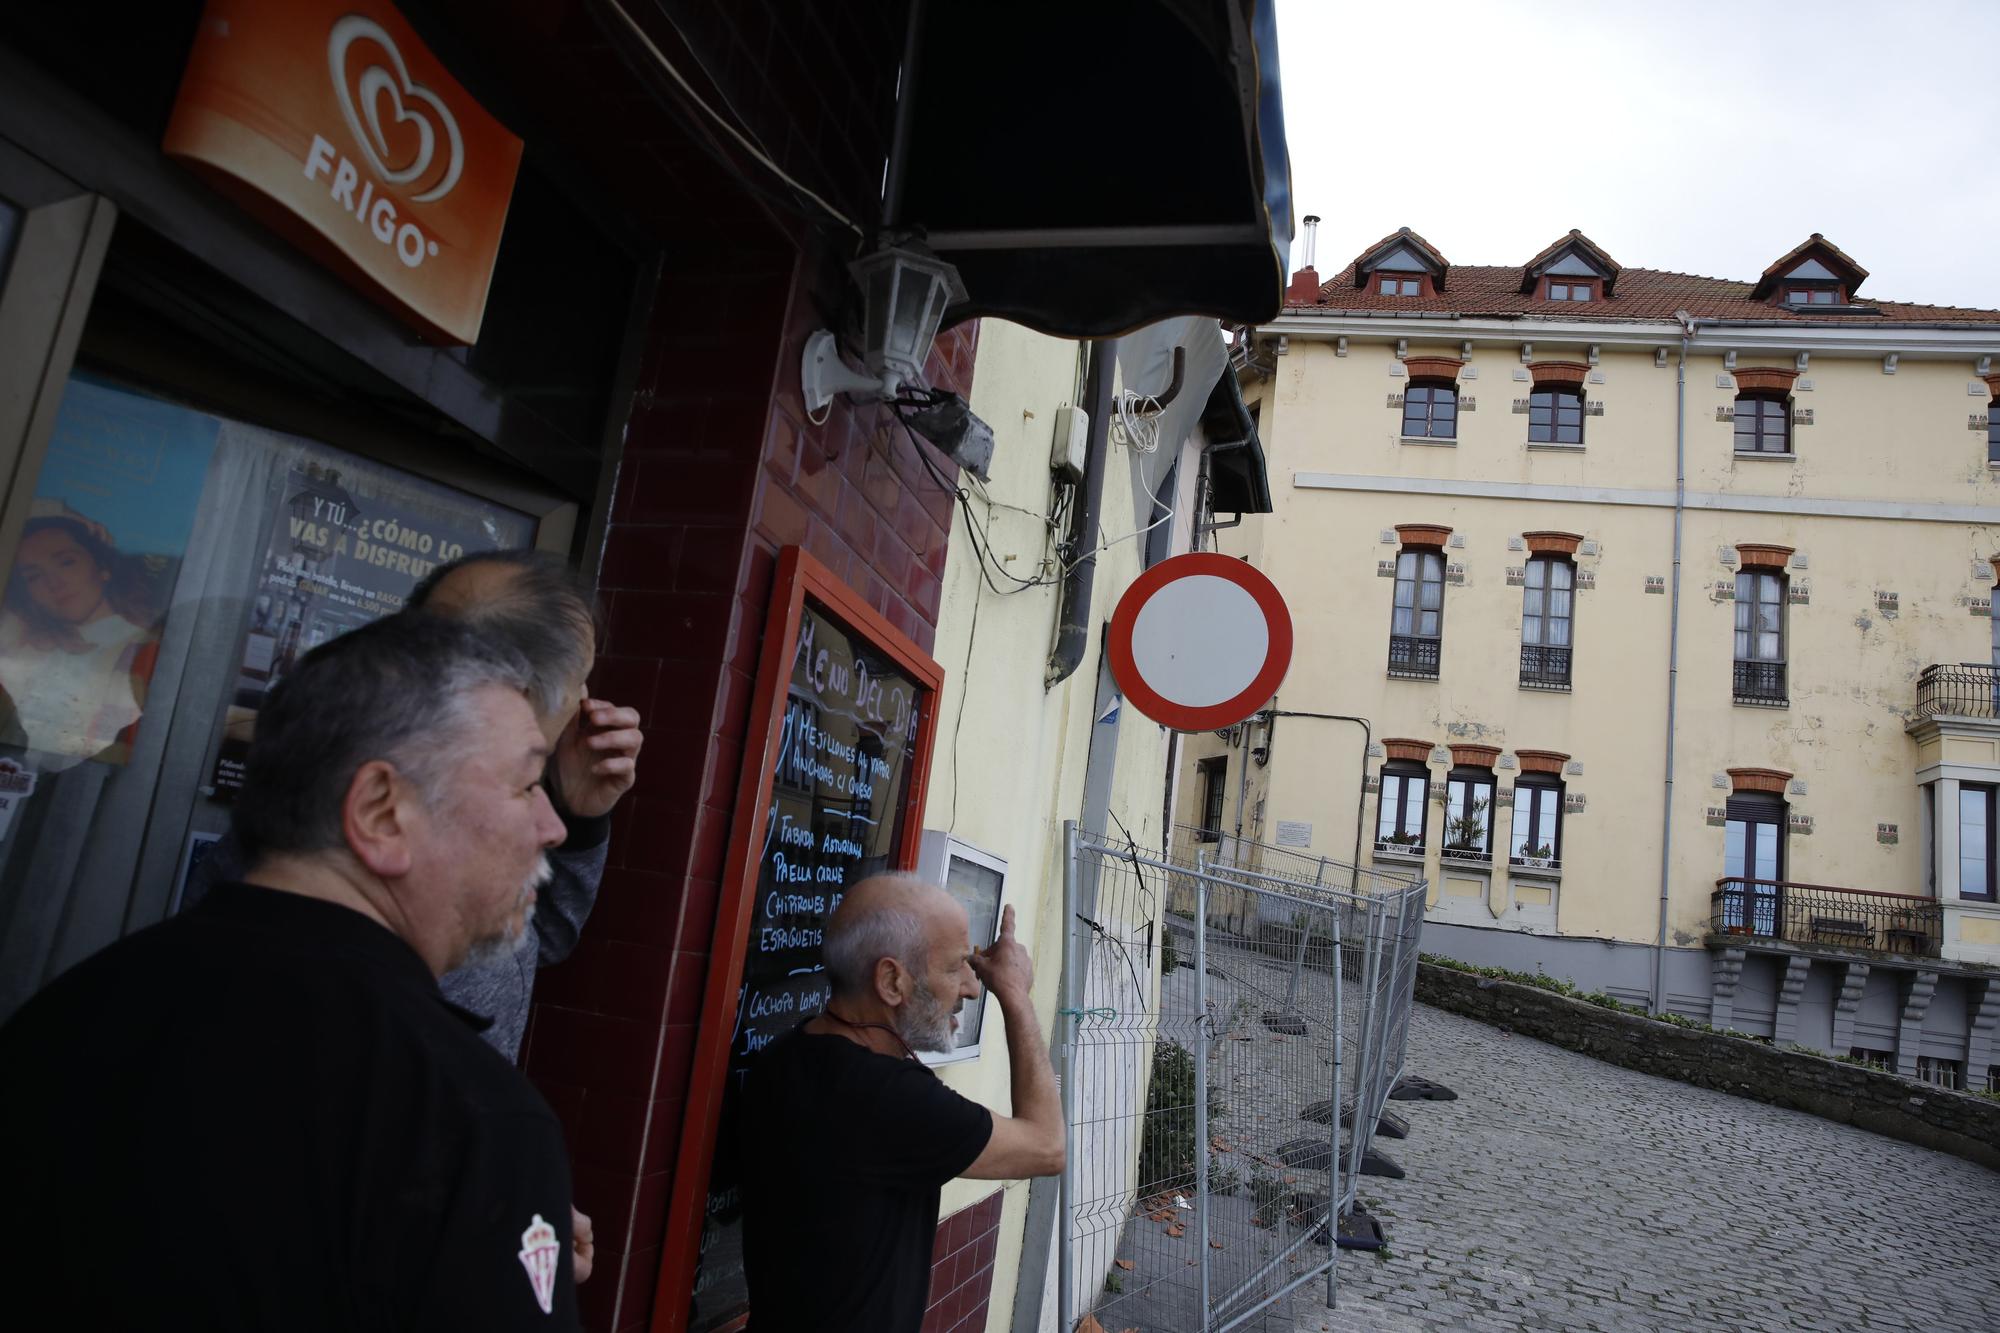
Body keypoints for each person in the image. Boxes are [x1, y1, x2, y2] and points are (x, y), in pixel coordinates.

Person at [0, 615, 582, 1330]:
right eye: (527, 784)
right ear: (379, 810)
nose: (551, 827)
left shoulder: (63, 1014)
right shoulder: (458, 1116)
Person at [191, 548, 645, 1062]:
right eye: (580, 675)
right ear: (519, 687)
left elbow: (540, 940)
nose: (587, 697)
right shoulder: (353, 794)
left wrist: (578, 813)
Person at [739, 874, 1066, 1332]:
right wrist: (1014, 993)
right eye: (955, 968)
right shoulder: (886, 1098)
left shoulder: (789, 1057)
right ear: (892, 980)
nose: (972, 988)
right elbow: (1048, 1146)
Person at [0, 512, 171, 762]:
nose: (53, 582)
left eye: (66, 562)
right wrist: (56, 510)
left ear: (102, 567)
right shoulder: (26, 643)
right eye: (34, 576)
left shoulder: (146, 650)